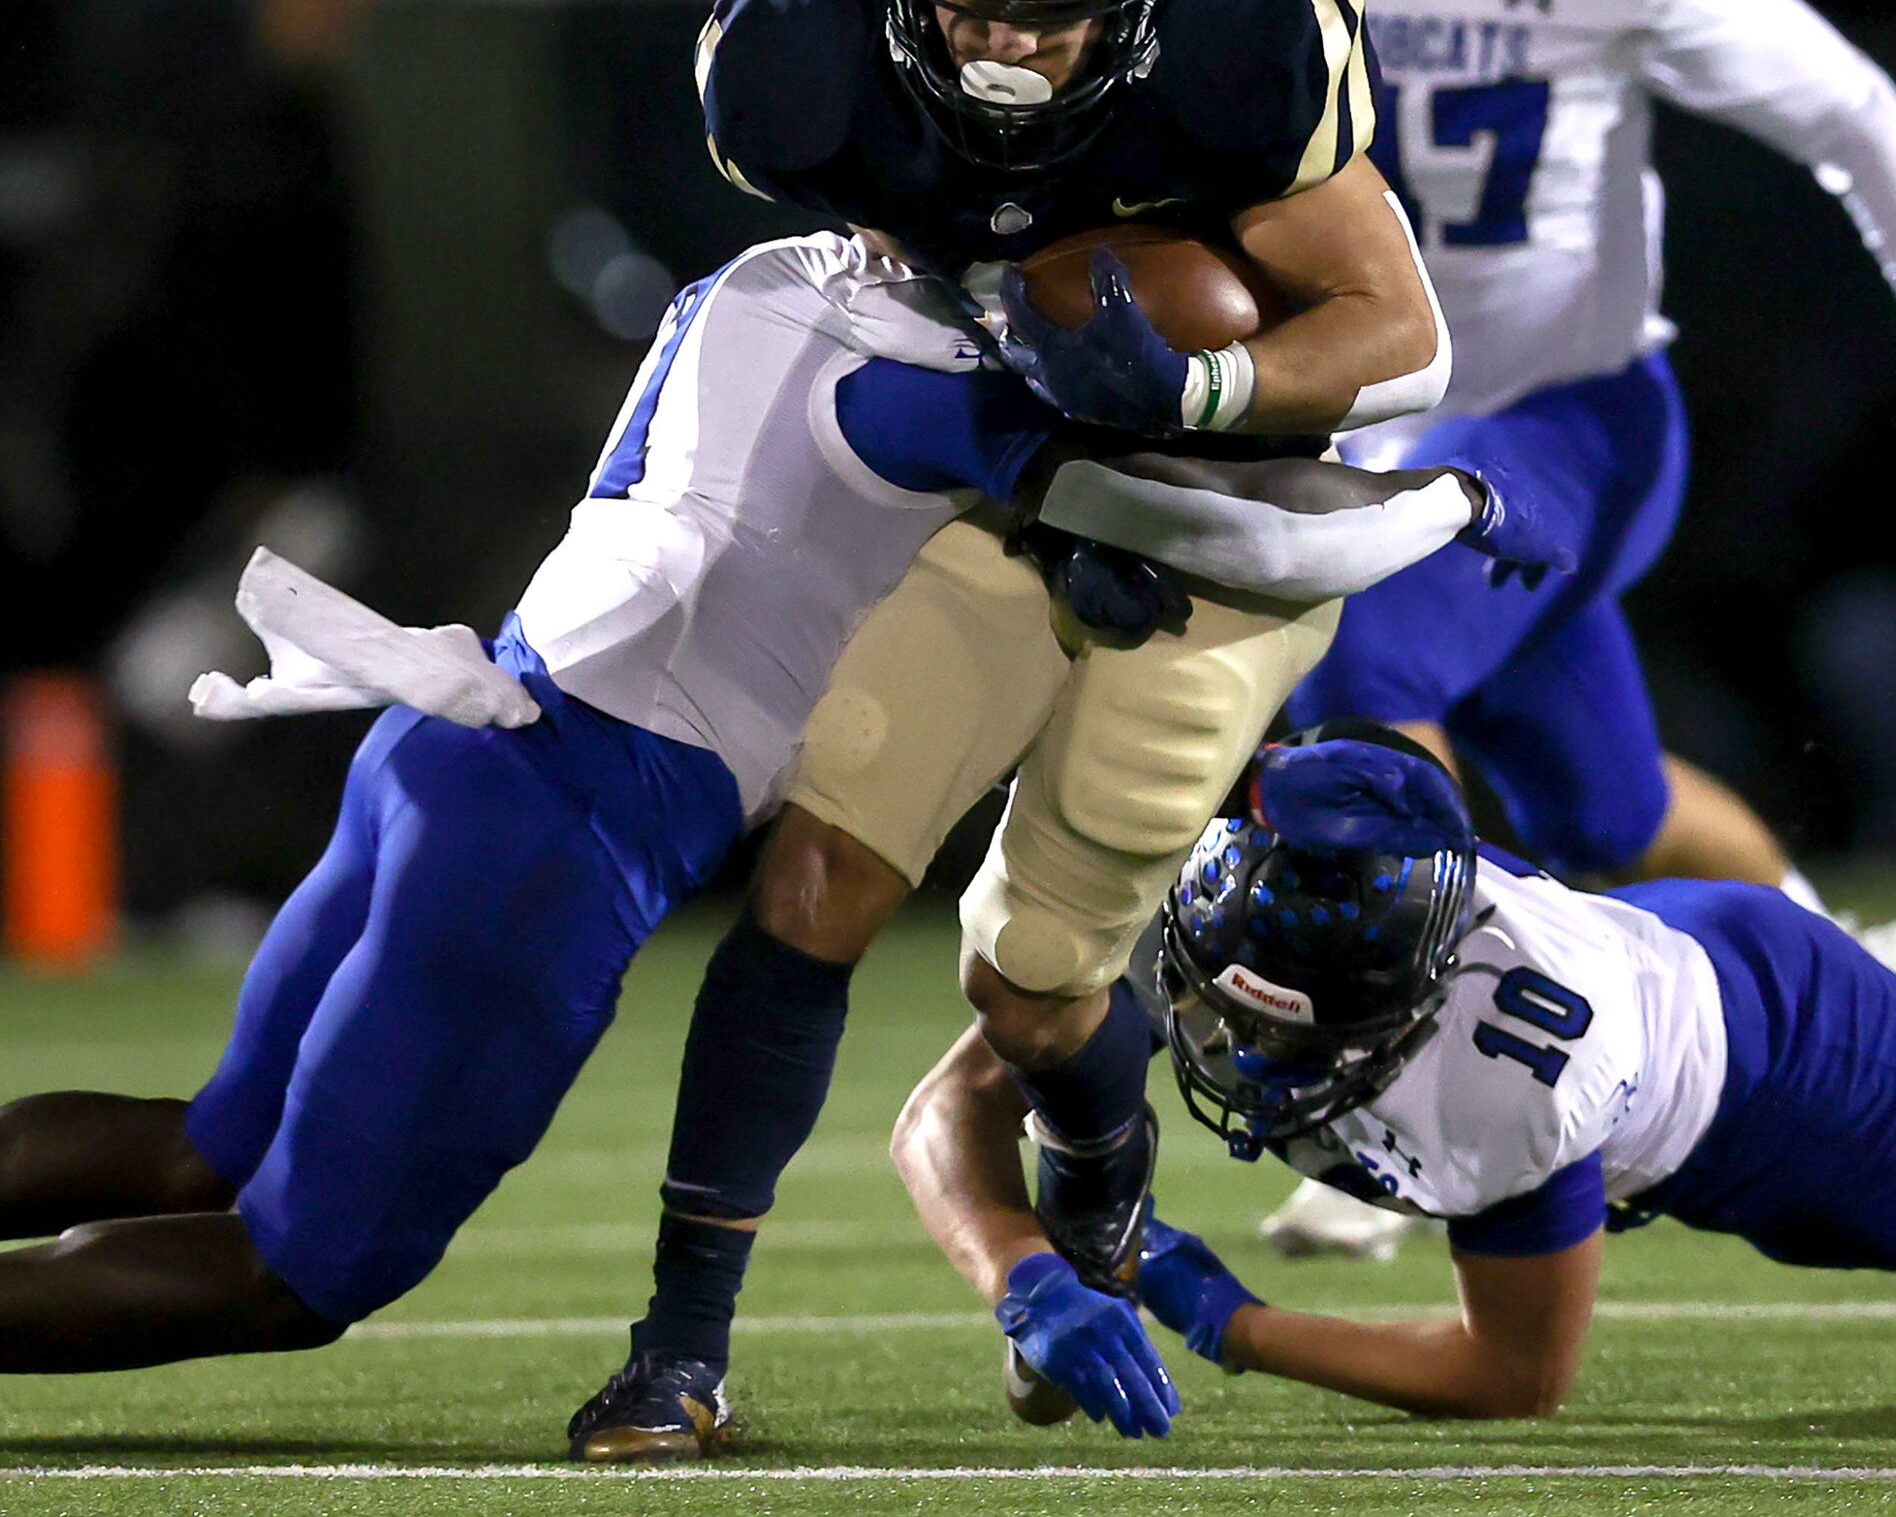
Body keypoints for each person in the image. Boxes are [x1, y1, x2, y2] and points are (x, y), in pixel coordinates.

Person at [0, 231, 1536, 1386]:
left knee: (207, 1147)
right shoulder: (919, 383)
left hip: (450, 741)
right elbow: (1220, 527)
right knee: (295, 1270)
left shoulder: (757, 276)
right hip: (559, 825)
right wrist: (1447, 501)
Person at [564, 0, 1466, 1459]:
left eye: (1048, 9)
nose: (999, 40)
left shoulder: (1243, 43)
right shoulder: (803, 64)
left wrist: (1191, 387)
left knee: (1034, 988)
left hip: (1217, 522)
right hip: (1001, 489)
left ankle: (1106, 1191)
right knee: (815, 873)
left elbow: (1402, 340)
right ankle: (681, 1349)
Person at [1184, 0, 1896, 1256]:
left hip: (1578, 416)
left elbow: (1851, 114)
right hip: (1372, 424)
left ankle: (1414, 1073)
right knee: (1614, 802)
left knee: (1364, 668)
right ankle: (1853, 978)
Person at [895, 728, 1896, 1426]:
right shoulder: (1225, 901)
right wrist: (1019, 1272)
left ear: (1413, 985)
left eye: (1300, 1032)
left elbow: (1511, 1372)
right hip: (1714, 1014)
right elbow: (943, 1109)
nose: (1248, 1056)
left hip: (1809, 1076)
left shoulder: (1512, 1070)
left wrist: (1221, 1313)